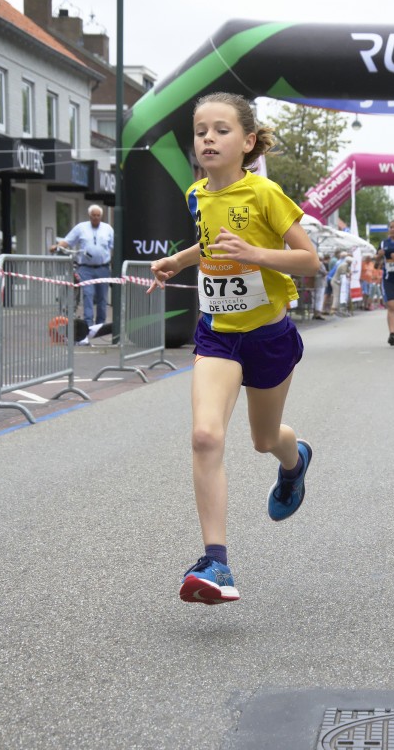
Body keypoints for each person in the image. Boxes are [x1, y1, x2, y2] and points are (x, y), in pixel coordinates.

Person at [147, 92, 319, 605]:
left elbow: (309, 260)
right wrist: (180, 260)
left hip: (269, 338)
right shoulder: (196, 193)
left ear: (247, 142)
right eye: (201, 131)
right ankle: (216, 563)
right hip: (217, 334)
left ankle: (294, 461)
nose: (208, 139)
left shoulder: (264, 193)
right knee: (205, 436)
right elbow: (210, 243)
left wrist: (255, 254)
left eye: (221, 130)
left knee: (264, 440)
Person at [51, 204, 114, 325]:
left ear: (101, 216)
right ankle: (88, 324)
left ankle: (100, 325)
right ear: (89, 216)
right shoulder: (81, 228)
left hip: (103, 268)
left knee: (102, 297)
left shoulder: (108, 229)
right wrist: (57, 246)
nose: (96, 218)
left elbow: (114, 245)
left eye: (98, 215)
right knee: (88, 294)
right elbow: (68, 241)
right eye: (93, 215)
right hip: (86, 268)